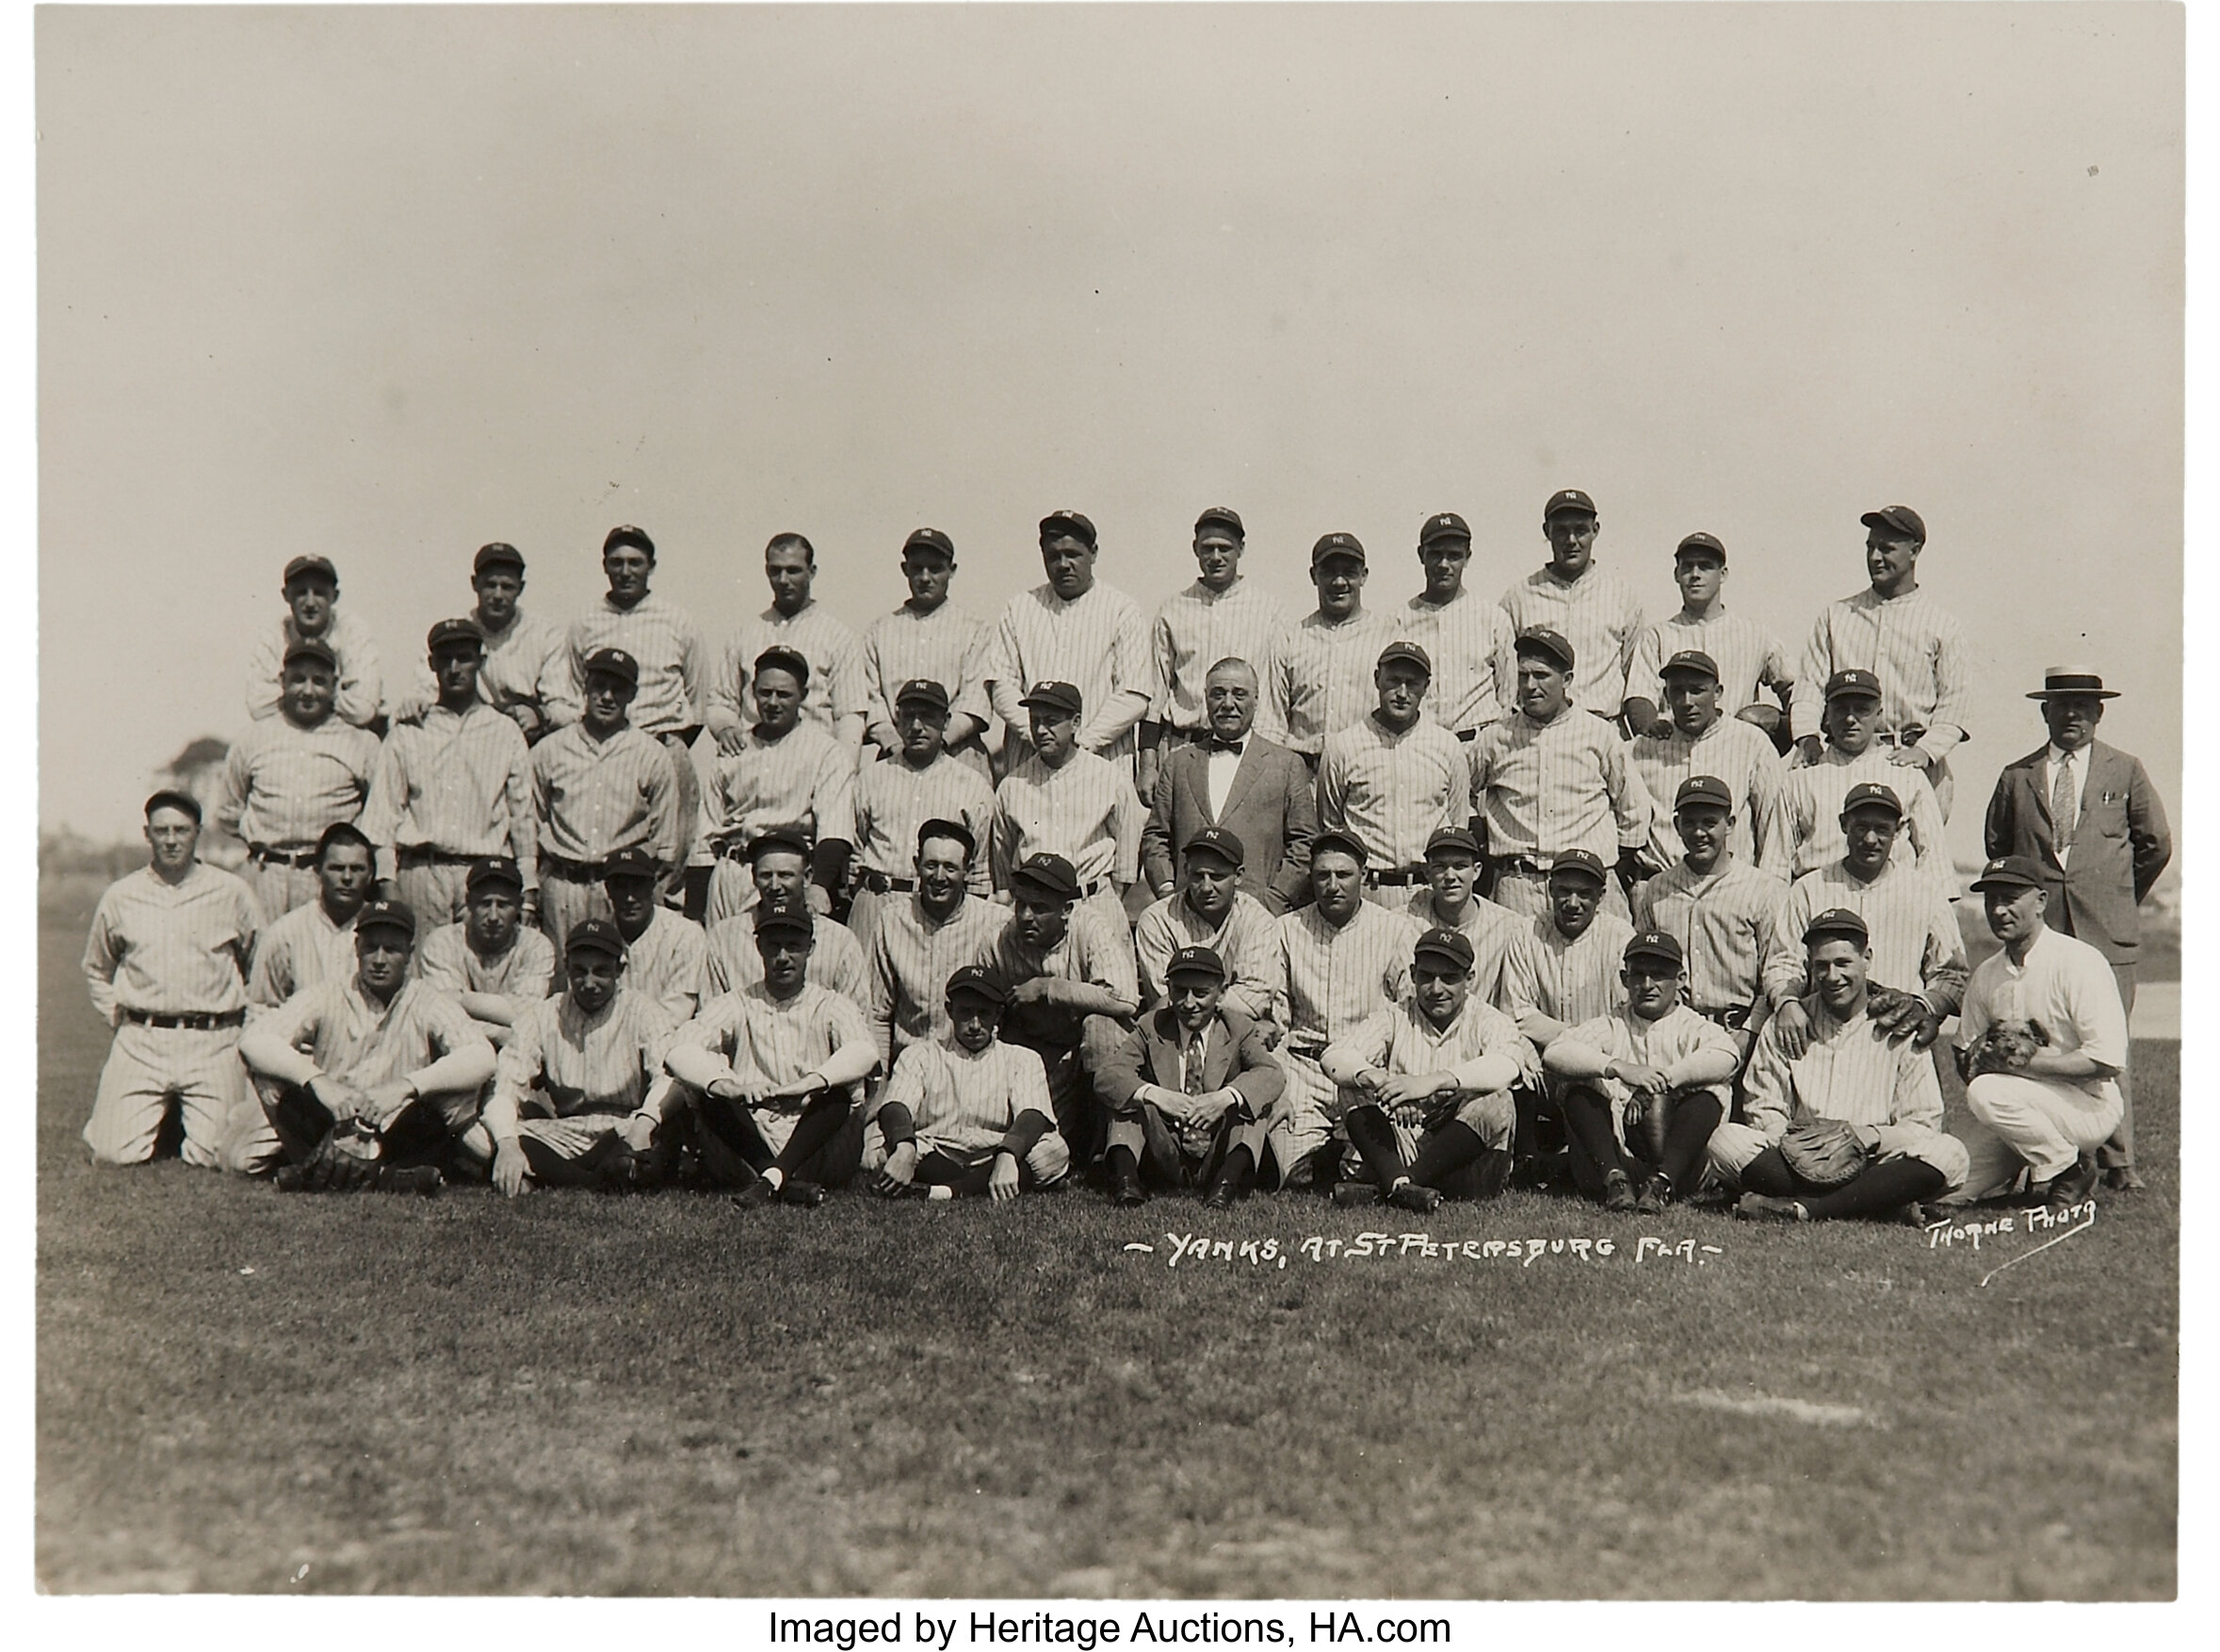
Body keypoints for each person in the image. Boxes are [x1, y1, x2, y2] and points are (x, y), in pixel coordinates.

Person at [1982, 667, 2172, 1190]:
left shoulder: (2125, 770)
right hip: (2041, 937)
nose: (2071, 715)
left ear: (2099, 713)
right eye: (2061, 705)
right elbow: (1999, 848)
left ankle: (2119, 1163)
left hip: (2107, 935)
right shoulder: (2017, 776)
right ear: (2044, 711)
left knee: (2107, 1045)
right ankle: (2050, 1156)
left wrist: (2116, 897)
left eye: (2082, 706)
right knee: (2037, 1039)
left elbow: (2155, 843)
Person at [1710, 909, 1970, 1223]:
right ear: (1809, 966)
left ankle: (1804, 1209)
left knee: (1950, 1154)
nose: (1832, 977)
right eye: (1821, 966)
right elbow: (1763, 1108)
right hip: (1798, 1161)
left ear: (1867, 958)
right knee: (1724, 1140)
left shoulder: (1897, 1022)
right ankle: (1879, 1201)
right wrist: (1798, 1146)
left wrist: (1866, 1136)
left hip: (1875, 1159)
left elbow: (1922, 1123)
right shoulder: (1789, 1022)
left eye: (1843, 963)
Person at [236, 899, 499, 1192]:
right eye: (371, 947)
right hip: (334, 1122)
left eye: (392, 949)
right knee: (269, 1077)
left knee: (453, 1092)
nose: (379, 959)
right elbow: (254, 1039)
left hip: (398, 1128)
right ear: (357, 949)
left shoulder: (427, 999)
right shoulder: (330, 992)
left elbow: (482, 1056)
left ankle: (316, 1173)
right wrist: (318, 1081)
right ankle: (385, 1179)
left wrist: (405, 1086)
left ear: (410, 953)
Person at [80, 790, 263, 1170]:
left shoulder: (231, 893)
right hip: (141, 1041)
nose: (171, 839)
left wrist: (247, 1031)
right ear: (147, 834)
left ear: (197, 832)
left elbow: (259, 965)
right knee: (113, 1154)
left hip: (213, 1041)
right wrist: (118, 1018)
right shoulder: (122, 896)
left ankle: (176, 1118)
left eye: (181, 830)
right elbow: (97, 969)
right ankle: (146, 1112)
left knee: (214, 1156)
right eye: (161, 830)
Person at [1945, 857, 2131, 1215]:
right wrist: (1980, 1060)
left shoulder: (2079, 961)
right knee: (1946, 1185)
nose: (1999, 909)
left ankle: (2069, 1168)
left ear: (2041, 901)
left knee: (1986, 1091)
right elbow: (1964, 1054)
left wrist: (2024, 1066)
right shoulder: (1987, 974)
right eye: (1991, 899)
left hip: (2086, 1105)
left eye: (2011, 897)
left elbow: (2106, 1062)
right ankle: (2038, 1165)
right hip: (2014, 1111)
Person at [662, 907, 878, 1205]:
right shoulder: (738, 1001)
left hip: (815, 1144)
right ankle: (779, 1180)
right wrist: (730, 1086)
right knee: (709, 1095)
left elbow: (864, 1051)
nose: (783, 957)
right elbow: (678, 1051)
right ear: (759, 947)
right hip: (750, 1143)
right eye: (774, 945)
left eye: (793, 946)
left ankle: (770, 1180)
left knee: (840, 1093)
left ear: (810, 948)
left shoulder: (831, 1004)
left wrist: (808, 1084)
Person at [1320, 927, 1526, 1213]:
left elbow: (1508, 1065)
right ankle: (1404, 1186)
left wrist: (1433, 1082)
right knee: (1352, 1084)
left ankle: (1395, 1186)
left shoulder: (1489, 1019)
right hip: (1404, 1142)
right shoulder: (1396, 1014)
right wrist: (1381, 1081)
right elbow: (1335, 1056)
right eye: (1427, 977)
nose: (1436, 989)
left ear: (1470, 979)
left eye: (1450, 978)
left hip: (1467, 1161)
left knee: (1498, 1098)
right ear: (1413, 974)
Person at [548, 526, 709, 889]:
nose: (625, 571)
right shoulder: (585, 622)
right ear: (604, 566)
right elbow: (572, 688)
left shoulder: (677, 621)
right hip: (605, 753)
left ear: (651, 566)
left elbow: (698, 702)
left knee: (665, 869)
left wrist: (664, 746)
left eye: (635, 563)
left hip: (664, 746)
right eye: (616, 562)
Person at [1761, 783, 1966, 1060]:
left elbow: (1952, 973)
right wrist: (1786, 1002)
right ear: (1844, 824)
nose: (1870, 839)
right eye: (1861, 827)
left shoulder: (1925, 891)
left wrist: (1923, 1005)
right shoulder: (1810, 888)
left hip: (1896, 1034)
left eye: (1882, 829)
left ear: (1900, 829)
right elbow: (1783, 961)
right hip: (1822, 1036)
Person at [1792, 505, 1971, 818]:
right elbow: (1810, 687)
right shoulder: (1837, 615)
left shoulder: (1943, 625)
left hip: (1913, 759)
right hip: (1843, 759)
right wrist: (1807, 737)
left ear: (1915, 551)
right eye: (1870, 547)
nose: (1875, 557)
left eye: (1886, 549)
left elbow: (1955, 707)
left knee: (1916, 862)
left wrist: (1925, 751)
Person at [1267, 833, 1422, 1190]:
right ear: (1311, 877)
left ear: (1364, 877)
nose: (1332, 885)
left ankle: (1346, 1157)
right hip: (1303, 1067)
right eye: (1323, 875)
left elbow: (1408, 1012)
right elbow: (1277, 1017)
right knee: (1292, 1172)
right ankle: (1323, 1154)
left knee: (1367, 1165)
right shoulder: (1287, 929)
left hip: (1366, 1074)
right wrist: (1278, 1085)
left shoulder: (1395, 929)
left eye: (1343, 875)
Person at [1542, 931, 1740, 1214]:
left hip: (1682, 1168)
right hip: (1616, 1158)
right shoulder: (1611, 1023)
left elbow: (1727, 1057)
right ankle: (1615, 1180)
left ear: (1681, 980)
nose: (1647, 985)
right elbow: (1555, 1053)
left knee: (1712, 1091)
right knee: (1576, 1086)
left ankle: (1661, 1182)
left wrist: (1662, 1081)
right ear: (1625, 979)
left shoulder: (1695, 1027)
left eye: (1658, 975)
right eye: (1638, 975)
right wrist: (1619, 1068)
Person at [360, 618, 538, 928]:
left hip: (485, 876)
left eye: (464, 658)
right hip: (421, 873)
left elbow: (523, 818)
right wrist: (388, 884)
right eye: (445, 659)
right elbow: (382, 817)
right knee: (420, 972)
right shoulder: (409, 731)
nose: (455, 668)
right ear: (432, 664)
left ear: (481, 662)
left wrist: (529, 891)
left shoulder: (505, 732)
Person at [1469, 627, 1653, 920]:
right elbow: (1459, 790)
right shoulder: (1496, 738)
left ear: (1567, 679)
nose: (1530, 685)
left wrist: (1609, 868)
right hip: (1519, 886)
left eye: (1541, 675)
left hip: (1586, 884)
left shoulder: (1598, 734)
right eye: (1523, 675)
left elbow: (1634, 810)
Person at [971, 852, 1141, 1168]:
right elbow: (979, 1011)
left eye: (1040, 908)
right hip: (1036, 1055)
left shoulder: (1090, 927)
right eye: (1020, 904)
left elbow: (1126, 998)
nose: (1025, 916)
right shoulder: (997, 939)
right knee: (1041, 1151)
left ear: (1067, 910)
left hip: (1085, 1053)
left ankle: (1110, 1146)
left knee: (1103, 1028)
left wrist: (1050, 988)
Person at [486, 918, 679, 1196]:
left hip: (625, 1126)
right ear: (566, 968)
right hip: (567, 1130)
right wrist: (507, 1144)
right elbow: (506, 1084)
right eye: (579, 971)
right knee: (486, 1138)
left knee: (652, 1145)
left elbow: (667, 1079)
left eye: (600, 971)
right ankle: (597, 1180)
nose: (589, 983)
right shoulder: (543, 1014)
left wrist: (642, 1125)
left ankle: (557, 1177)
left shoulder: (644, 1011)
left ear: (619, 968)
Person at [1096, 946, 1285, 1209]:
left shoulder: (1238, 1027)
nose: (1188, 1003)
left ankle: (1225, 1186)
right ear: (1168, 989)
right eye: (1179, 991)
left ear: (1222, 993)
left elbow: (1271, 1073)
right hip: (1167, 1147)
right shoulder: (1152, 1026)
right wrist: (1157, 1095)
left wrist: (1223, 1098)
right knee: (1129, 1095)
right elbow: (1108, 1075)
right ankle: (1127, 1182)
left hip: (1218, 1151)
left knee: (1248, 1100)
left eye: (1201, 993)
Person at [529, 645, 682, 971]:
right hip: (563, 886)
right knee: (562, 979)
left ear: (633, 694)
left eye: (618, 689)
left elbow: (666, 848)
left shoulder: (651, 755)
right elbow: (531, 827)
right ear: (585, 686)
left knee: (623, 977)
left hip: (621, 891)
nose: (607, 697)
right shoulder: (550, 750)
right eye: (600, 686)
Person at [866, 967, 1071, 1202]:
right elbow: (896, 1106)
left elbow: (1033, 1114)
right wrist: (905, 1147)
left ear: (998, 1014)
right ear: (950, 1010)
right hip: (938, 1148)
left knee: (1052, 1150)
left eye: (984, 1014)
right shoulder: (920, 1054)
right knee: (886, 1151)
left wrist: (1008, 1154)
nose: (974, 1025)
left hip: (996, 1151)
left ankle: (945, 1191)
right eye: (966, 1013)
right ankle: (976, 1185)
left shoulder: (1022, 1058)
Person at [216, 638, 381, 919]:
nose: (308, 691)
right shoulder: (253, 738)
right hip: (265, 874)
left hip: (328, 880)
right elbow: (228, 812)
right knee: (261, 958)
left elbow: (380, 817)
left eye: (319, 681)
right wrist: (263, 840)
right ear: (282, 681)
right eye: (298, 680)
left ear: (334, 684)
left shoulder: (361, 743)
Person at [978, 510, 1153, 775]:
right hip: (1030, 761)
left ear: (1093, 553)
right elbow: (1002, 687)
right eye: (1053, 556)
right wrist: (1043, 736)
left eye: (1073, 554)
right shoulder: (1019, 608)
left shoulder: (1122, 610)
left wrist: (1079, 745)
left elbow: (1133, 695)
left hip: (1101, 760)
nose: (1063, 564)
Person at [1500, 849, 1635, 1180]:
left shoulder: (1619, 935)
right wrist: (1573, 1038)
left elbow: (1625, 1016)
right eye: (1564, 891)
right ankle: (1528, 1157)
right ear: (1550, 888)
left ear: (1602, 896)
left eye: (1584, 894)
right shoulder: (1526, 932)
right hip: (1545, 1063)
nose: (1572, 902)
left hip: (1599, 1062)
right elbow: (1518, 1013)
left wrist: (1580, 1047)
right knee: (1513, 1049)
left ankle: (1575, 1158)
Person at [1141, 656, 1315, 914]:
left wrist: (1276, 898)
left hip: (1259, 916)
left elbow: (1305, 842)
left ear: (1256, 700)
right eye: (1218, 694)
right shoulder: (1177, 764)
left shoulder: (1287, 765)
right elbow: (1155, 837)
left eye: (1239, 694)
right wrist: (1168, 893)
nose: (1228, 704)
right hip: (1186, 915)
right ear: (1206, 699)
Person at [1632, 778, 1784, 1060]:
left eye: (1709, 822)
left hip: (1739, 1031)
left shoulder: (1763, 888)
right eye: (1689, 823)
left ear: (1730, 824)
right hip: (1674, 1034)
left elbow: (1774, 969)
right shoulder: (1657, 888)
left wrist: (1750, 1032)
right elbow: (1645, 967)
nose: (1699, 832)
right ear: (1677, 826)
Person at [702, 646, 855, 924]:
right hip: (732, 873)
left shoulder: (826, 751)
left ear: (803, 696)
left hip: (785, 879)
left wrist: (819, 885)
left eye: (783, 694)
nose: (773, 702)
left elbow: (835, 830)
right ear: (752, 692)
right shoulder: (733, 748)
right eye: (765, 692)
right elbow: (706, 834)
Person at [1145, 508, 1288, 794]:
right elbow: (1156, 692)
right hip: (1186, 746)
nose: (1215, 557)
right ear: (1195, 549)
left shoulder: (1270, 610)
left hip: (1248, 751)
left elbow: (1278, 695)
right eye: (1207, 548)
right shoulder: (1173, 609)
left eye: (1225, 548)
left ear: (1241, 549)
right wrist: (1148, 763)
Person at [846, 677, 996, 952]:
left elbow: (980, 873)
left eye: (927, 717)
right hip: (877, 902)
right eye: (908, 717)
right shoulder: (871, 778)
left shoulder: (972, 786)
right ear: (897, 720)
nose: (916, 726)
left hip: (940, 910)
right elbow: (853, 852)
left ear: (946, 721)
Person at [1316, 640, 1476, 898]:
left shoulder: (1447, 746)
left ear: (1426, 687)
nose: (1402, 693)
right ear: (1377, 679)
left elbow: (1457, 826)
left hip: (1428, 890)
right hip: (1368, 892)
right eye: (1394, 681)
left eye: (1412, 683)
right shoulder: (1343, 746)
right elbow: (1331, 827)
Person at [990, 680, 1144, 939]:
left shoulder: (1109, 777)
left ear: (1075, 722)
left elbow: (1127, 860)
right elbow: (1003, 868)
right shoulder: (1012, 786)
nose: (1041, 729)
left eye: (1051, 721)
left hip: (1094, 905)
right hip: (1037, 918)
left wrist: (1107, 898)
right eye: (1035, 720)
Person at [1777, 669, 1951, 898]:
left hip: (1892, 898)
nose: (1850, 719)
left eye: (1861, 709)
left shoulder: (1906, 773)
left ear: (1879, 713)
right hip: (1819, 898)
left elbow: (1933, 859)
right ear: (1826, 713)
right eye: (1841, 709)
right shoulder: (1801, 778)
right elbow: (1776, 864)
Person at [1628, 649, 1787, 882]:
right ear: (1665, 695)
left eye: (1697, 690)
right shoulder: (1641, 748)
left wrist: (1771, 889)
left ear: (1717, 692)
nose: (1687, 702)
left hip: (1733, 885)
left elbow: (1774, 825)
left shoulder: (1751, 742)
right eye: (1677, 691)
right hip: (1659, 887)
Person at [865, 818, 1008, 1075]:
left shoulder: (995, 922)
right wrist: (880, 1080)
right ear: (916, 865)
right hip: (907, 1068)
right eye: (931, 865)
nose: (939, 877)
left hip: (974, 1068)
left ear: (969, 870)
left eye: (950, 868)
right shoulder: (892, 919)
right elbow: (878, 1014)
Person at [1626, 533, 1793, 747]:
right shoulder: (1656, 636)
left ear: (1722, 574)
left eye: (1705, 566)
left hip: (1736, 751)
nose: (1695, 574)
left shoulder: (1756, 634)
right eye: (1687, 567)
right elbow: (1639, 697)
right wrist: (1650, 729)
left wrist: (1786, 731)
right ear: (1676, 574)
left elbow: (1795, 689)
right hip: (1675, 752)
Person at [388, 542, 568, 741]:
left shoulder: (546, 635)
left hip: (527, 737)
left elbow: (567, 708)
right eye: (490, 585)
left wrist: (539, 714)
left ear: (521, 588)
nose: (498, 595)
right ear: (475, 584)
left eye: (507, 587)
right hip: (470, 734)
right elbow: (424, 689)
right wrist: (415, 702)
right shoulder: (455, 633)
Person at [707, 531, 869, 752]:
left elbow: (849, 717)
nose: (783, 580)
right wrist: (725, 729)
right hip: (754, 762)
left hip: (813, 762)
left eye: (793, 571)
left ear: (811, 572)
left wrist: (843, 772)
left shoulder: (838, 637)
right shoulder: (744, 636)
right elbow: (721, 702)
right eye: (776, 571)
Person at [1496, 490, 1645, 724]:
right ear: (1547, 532)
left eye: (1580, 530)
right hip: (1536, 730)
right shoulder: (1519, 596)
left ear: (1595, 530)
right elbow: (1505, 676)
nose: (1571, 540)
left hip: (1602, 726)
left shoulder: (1622, 595)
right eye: (1562, 531)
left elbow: (1634, 673)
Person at [860, 527, 993, 772]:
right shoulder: (879, 631)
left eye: (935, 568)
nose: (924, 577)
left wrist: (938, 742)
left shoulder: (975, 629)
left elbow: (976, 701)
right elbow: (871, 699)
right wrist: (895, 743)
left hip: (958, 754)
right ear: (905, 569)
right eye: (917, 568)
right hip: (896, 755)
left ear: (951, 571)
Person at [1132, 828, 1280, 1025]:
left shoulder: (1259, 920)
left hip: (1237, 1032)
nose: (1206, 887)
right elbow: (1169, 1003)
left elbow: (1253, 1001)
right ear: (1185, 872)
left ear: (1238, 876)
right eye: (1197, 876)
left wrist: (1194, 999)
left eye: (1217, 877)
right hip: (1175, 1033)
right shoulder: (1157, 919)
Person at [1269, 531, 1389, 762]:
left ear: (1363, 576)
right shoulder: (1290, 637)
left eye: (1349, 573)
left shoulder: (1387, 635)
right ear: (1314, 575)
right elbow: (1272, 719)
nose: (1339, 582)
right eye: (1329, 572)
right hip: (1304, 769)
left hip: (1366, 767)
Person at [705, 833, 869, 999]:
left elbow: (857, 1014)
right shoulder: (724, 937)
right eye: (766, 875)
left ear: (807, 877)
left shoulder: (840, 941)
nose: (775, 886)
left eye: (785, 875)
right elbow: (710, 1012)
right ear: (753, 877)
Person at [1399, 511, 1518, 740]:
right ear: (1421, 555)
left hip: (1478, 742)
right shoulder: (1399, 620)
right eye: (1435, 555)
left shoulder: (1493, 617)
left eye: (1453, 556)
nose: (1444, 564)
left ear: (1467, 557)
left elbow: (1508, 694)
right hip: (1422, 745)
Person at [413, 857, 558, 1046]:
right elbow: (445, 1016)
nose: (493, 916)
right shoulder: (441, 941)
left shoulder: (537, 945)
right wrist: (505, 1034)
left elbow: (526, 1011)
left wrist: (460, 997)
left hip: (518, 1053)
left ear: (519, 904)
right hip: (457, 1050)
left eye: (503, 905)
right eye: (484, 903)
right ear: (468, 902)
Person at [244, 554, 383, 729]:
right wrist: (327, 693)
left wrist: (296, 694)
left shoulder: (352, 631)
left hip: (353, 732)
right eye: (301, 593)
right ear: (286, 595)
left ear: (335, 596)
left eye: (319, 593)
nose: (310, 603)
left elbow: (362, 709)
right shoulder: (274, 635)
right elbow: (258, 707)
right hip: (292, 730)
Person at [248, 821, 376, 1010]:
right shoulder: (285, 933)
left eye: (357, 869)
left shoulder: (382, 929)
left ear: (371, 875)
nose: (347, 877)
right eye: (337, 868)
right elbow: (261, 1009)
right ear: (317, 872)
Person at [1402, 827, 1528, 1009]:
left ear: (1476, 871)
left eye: (1460, 866)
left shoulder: (1509, 926)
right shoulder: (1404, 922)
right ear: (1427, 873)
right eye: (1440, 867)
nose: (1450, 876)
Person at [602, 846, 708, 1022]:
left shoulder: (685, 934)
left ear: (652, 886)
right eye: (621, 887)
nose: (630, 898)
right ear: (608, 890)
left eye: (637, 886)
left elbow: (677, 1012)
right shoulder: (600, 934)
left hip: (670, 1039)